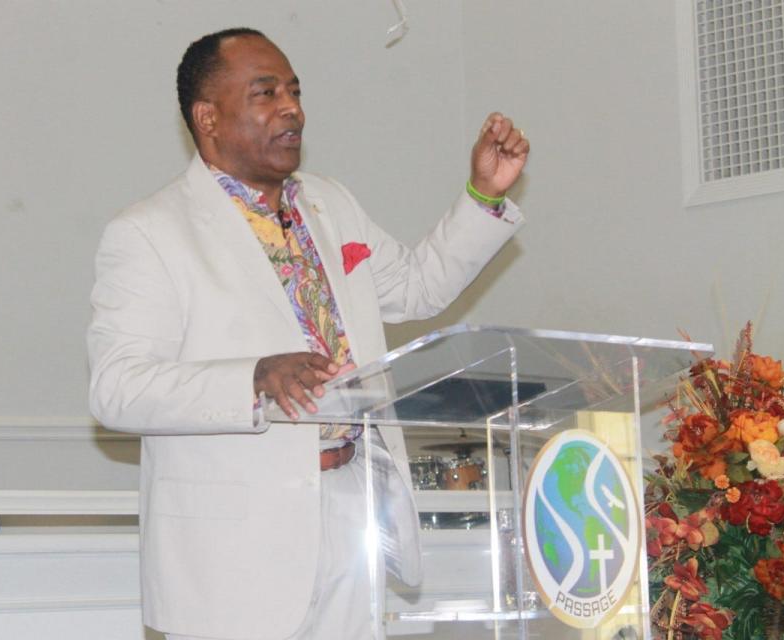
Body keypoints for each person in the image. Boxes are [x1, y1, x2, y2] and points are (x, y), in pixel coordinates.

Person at [87, 27, 529, 640]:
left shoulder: (330, 203)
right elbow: (117, 389)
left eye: (294, 91)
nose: (291, 108)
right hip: (233, 550)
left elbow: (418, 287)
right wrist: (253, 376)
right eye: (265, 94)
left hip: (350, 505)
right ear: (208, 117)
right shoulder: (150, 233)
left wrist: (482, 194)